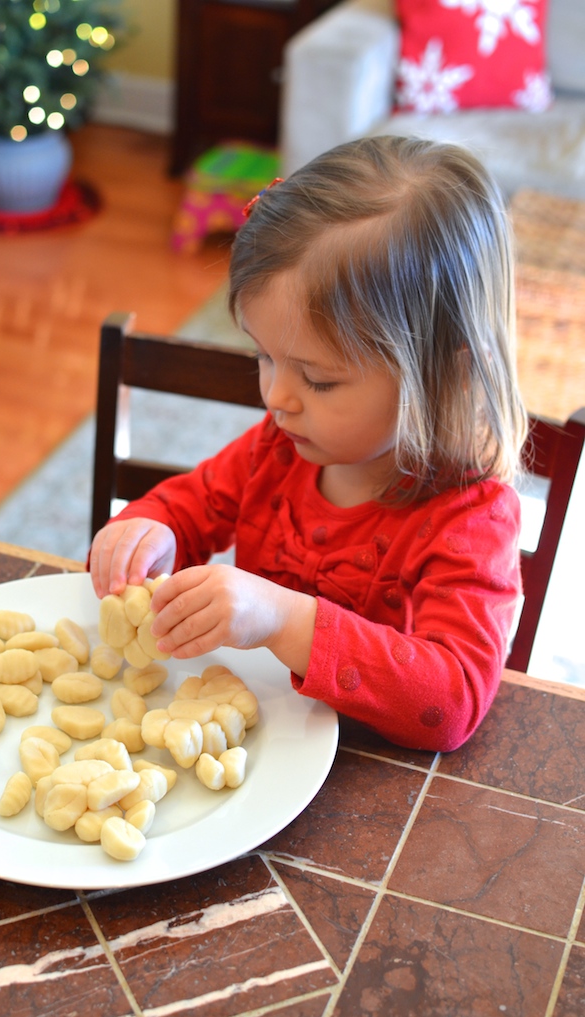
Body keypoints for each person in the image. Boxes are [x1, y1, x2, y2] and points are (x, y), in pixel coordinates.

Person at [89, 135, 527, 752]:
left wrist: (283, 618)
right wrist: (148, 531)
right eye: (265, 357)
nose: (277, 397)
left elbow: (451, 703)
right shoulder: (279, 445)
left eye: (318, 379)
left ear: (441, 376)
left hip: (368, 779)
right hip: (260, 744)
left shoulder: (472, 518)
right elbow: (193, 504)